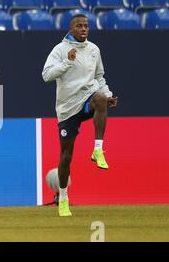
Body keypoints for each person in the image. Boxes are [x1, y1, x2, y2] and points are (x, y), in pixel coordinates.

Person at [42, 14, 118, 217]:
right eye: (79, 26)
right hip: (67, 106)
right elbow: (46, 75)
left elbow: (99, 76)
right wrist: (67, 62)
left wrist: (109, 95)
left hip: (88, 97)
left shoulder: (94, 49)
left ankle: (98, 149)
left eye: (86, 26)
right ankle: (64, 198)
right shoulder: (60, 49)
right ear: (71, 28)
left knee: (100, 99)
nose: (84, 29)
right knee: (66, 156)